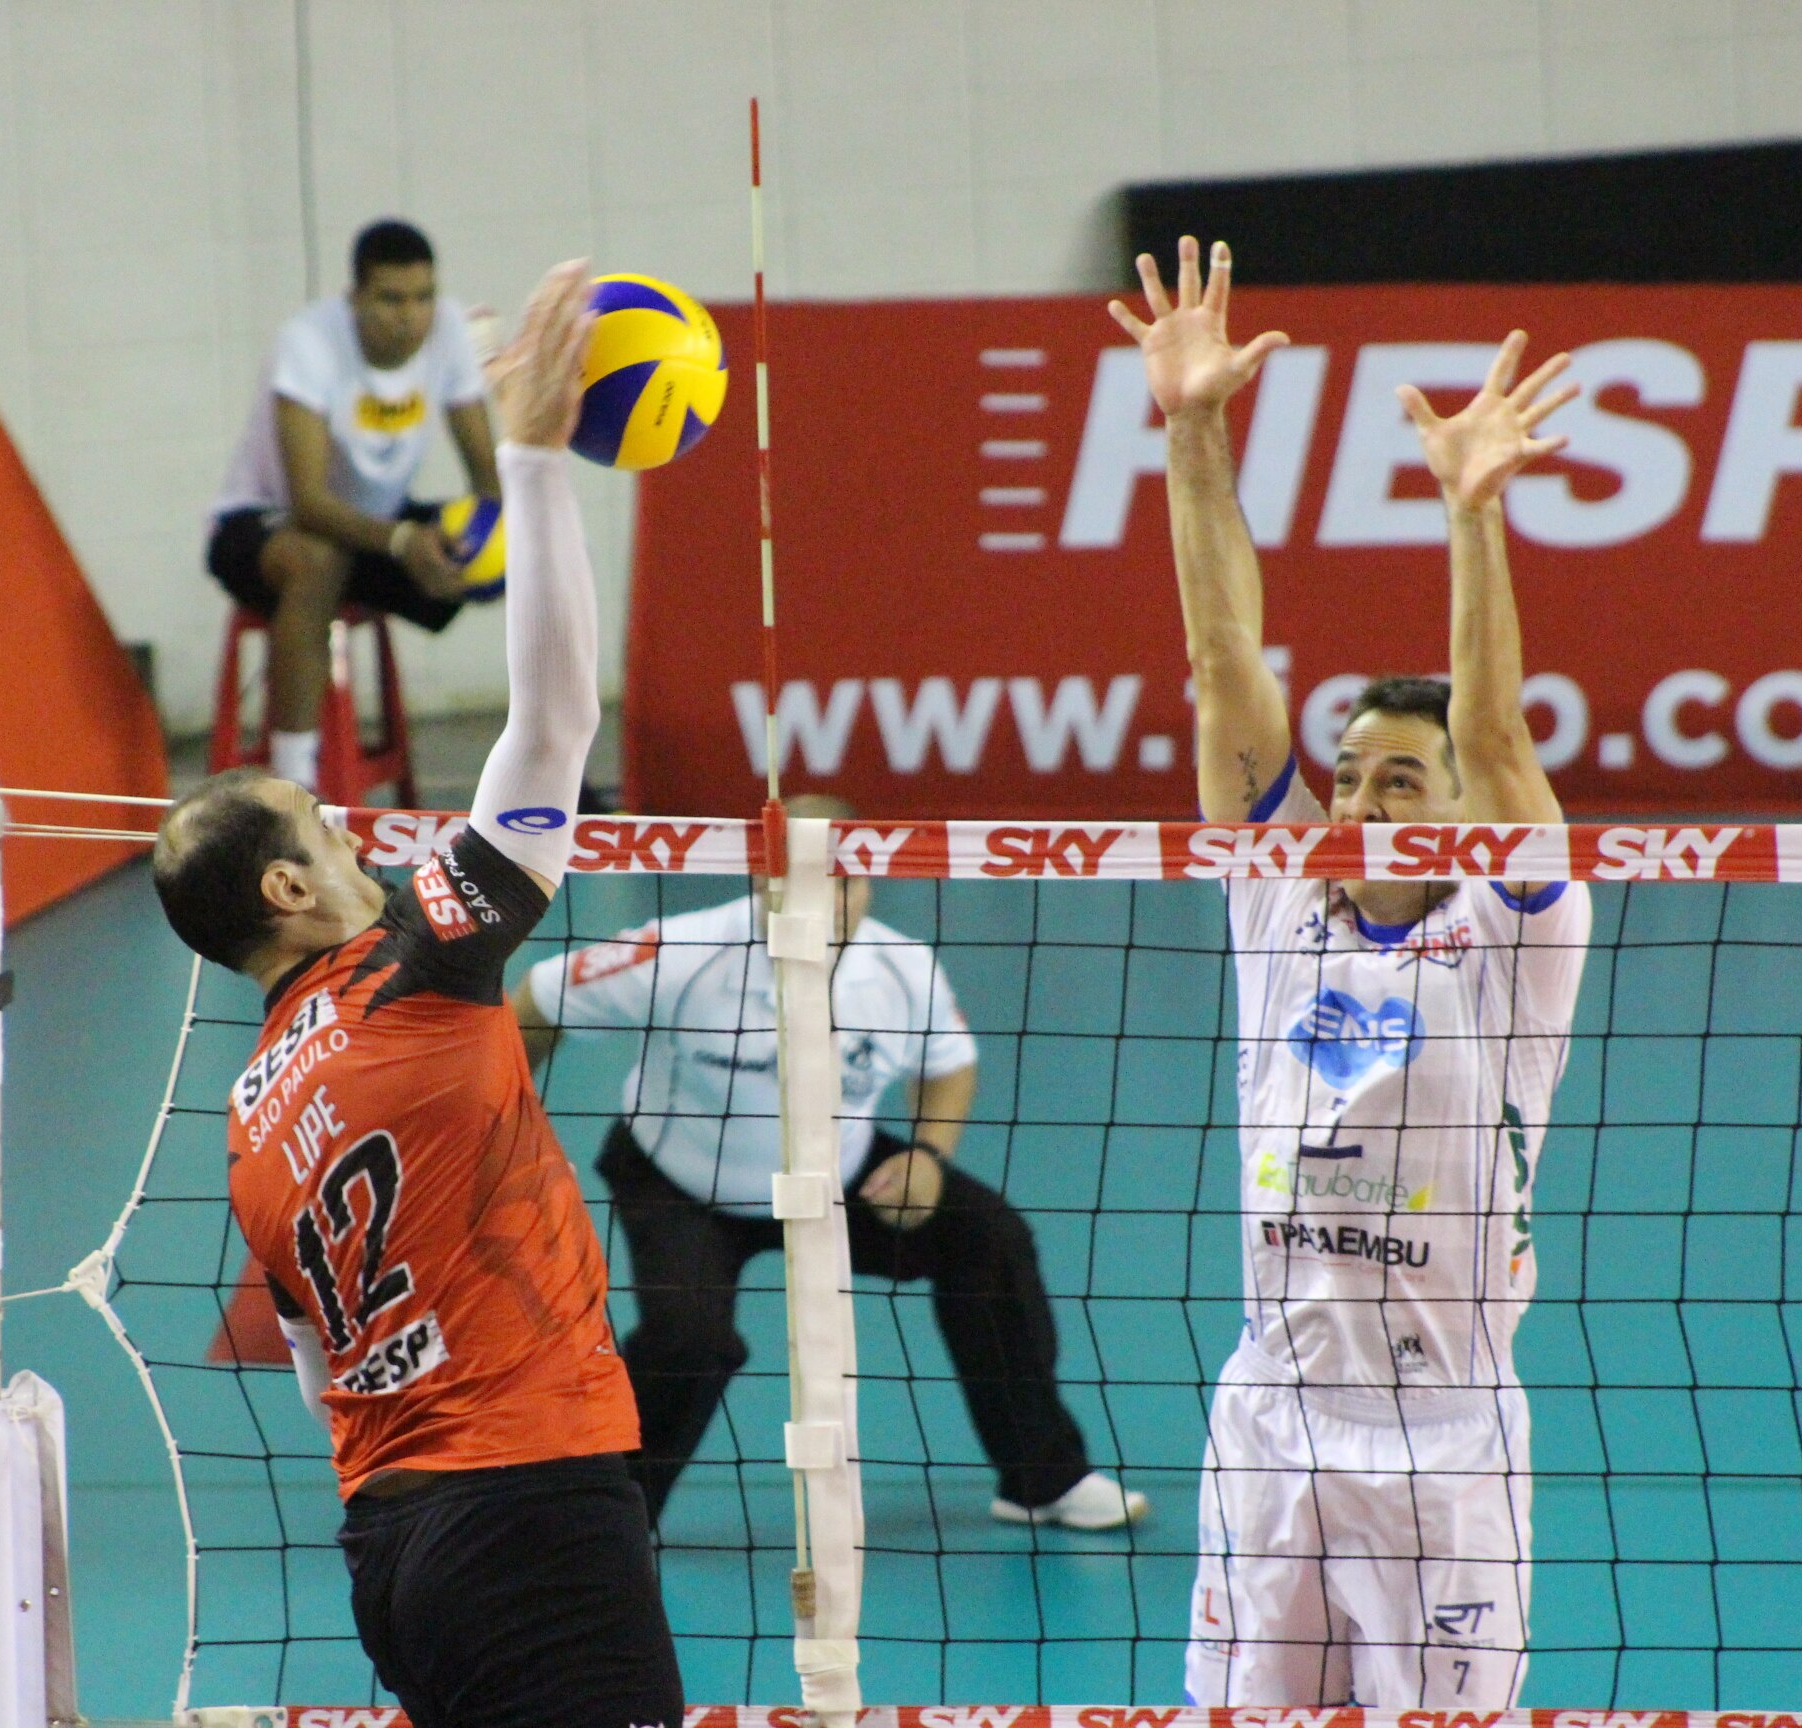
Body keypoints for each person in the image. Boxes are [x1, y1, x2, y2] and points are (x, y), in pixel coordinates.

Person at [153, 261, 678, 1728]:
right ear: (287, 895)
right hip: (529, 1504)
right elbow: (560, 718)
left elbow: (326, 1378)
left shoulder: (252, 1119)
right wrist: (531, 456)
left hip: (392, 1541)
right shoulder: (412, 970)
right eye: (328, 833)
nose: (364, 838)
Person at [1111, 237, 1591, 1707]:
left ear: (1457, 810)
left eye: (1400, 779)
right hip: (1274, 1416)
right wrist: (1195, 431)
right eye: (1347, 776)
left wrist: (1471, 512)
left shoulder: (1520, 926)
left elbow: (1504, 739)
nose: (1360, 803)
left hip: (1442, 1438)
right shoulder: (1279, 900)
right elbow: (1221, 653)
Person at [512, 794, 1149, 1534]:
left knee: (989, 1241)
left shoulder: (900, 969)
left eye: (845, 879)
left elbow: (950, 1064)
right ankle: (610, 1517)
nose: (831, 898)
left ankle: (1044, 1479)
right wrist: (500, 1130)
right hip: (682, 1179)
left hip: (835, 1171)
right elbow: (537, 1001)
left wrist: (928, 1155)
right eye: (806, 878)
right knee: (689, 1340)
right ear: (762, 880)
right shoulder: (677, 952)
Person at [207, 220, 499, 792]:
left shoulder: (448, 334)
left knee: (531, 551)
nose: (409, 316)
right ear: (356, 297)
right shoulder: (309, 344)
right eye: (390, 299)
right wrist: (401, 542)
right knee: (319, 559)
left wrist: (488, 548)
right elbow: (309, 501)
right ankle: (295, 786)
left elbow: (490, 482)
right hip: (264, 526)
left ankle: (554, 770)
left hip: (375, 527)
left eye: (423, 298)